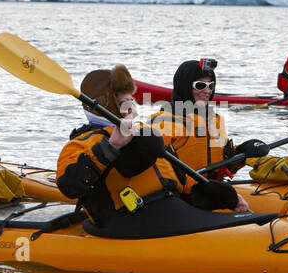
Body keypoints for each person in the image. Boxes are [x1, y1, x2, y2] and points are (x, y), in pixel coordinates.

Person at [57, 64, 246, 234]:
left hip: (168, 208)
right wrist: (112, 146)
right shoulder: (84, 142)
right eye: (125, 102)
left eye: (132, 100)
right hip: (127, 222)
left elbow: (182, 180)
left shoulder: (142, 133)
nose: (132, 107)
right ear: (107, 104)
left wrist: (222, 197)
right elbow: (69, 185)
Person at [150, 59, 269, 211]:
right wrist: (204, 189)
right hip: (181, 199)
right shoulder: (165, 121)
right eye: (200, 85)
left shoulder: (214, 120)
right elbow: (160, 170)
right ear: (184, 87)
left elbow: (222, 162)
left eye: (210, 86)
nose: (207, 91)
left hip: (211, 194)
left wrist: (242, 154)